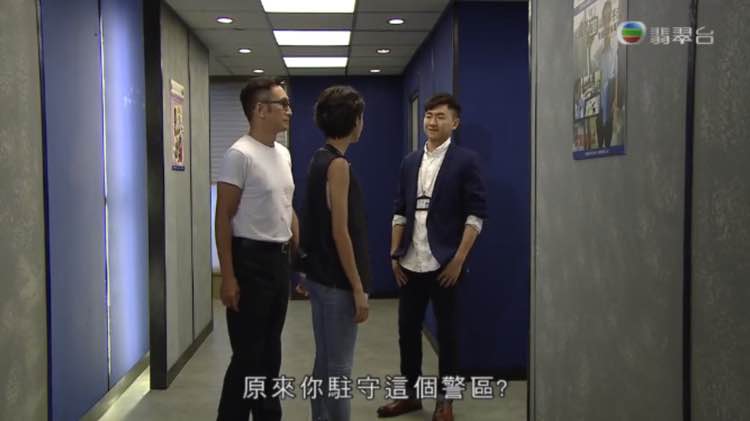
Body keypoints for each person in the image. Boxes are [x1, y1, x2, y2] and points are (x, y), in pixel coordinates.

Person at [377, 94, 487, 421]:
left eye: (440, 116)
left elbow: (476, 215)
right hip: (410, 262)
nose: (432, 122)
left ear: (455, 122)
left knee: (448, 335)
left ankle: (446, 401)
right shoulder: (410, 162)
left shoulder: (466, 161)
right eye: (428, 116)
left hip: (445, 264)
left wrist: (459, 260)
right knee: (407, 331)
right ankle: (410, 395)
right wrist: (394, 254)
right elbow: (399, 211)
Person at [215, 77, 298, 421]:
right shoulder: (239, 155)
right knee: (248, 356)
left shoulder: (283, 154)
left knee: (271, 351)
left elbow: (286, 204)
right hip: (249, 263)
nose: (289, 111)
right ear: (260, 110)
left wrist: (298, 249)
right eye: (283, 104)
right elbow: (223, 217)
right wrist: (228, 277)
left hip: (279, 261)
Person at [300, 85, 371, 421]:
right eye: (361, 117)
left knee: (324, 361)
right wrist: (358, 287)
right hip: (337, 282)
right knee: (339, 369)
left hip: (319, 276)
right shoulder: (338, 166)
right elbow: (340, 231)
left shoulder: (319, 158)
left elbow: (311, 218)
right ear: (353, 121)